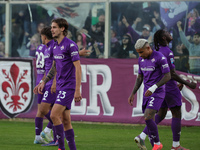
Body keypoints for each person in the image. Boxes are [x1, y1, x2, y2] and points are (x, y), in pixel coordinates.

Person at [134, 29, 196, 150]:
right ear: (163, 38)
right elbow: (171, 74)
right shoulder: (168, 52)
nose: (170, 34)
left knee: (161, 114)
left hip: (159, 88)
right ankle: (176, 146)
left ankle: (142, 135)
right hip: (169, 86)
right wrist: (187, 83)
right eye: (167, 33)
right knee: (176, 112)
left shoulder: (155, 51)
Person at [38, 18, 82, 150]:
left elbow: (78, 68)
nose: (51, 29)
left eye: (54, 27)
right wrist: (44, 82)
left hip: (69, 86)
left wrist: (77, 90)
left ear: (62, 29)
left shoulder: (71, 45)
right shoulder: (55, 46)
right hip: (60, 86)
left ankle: (61, 148)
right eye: (51, 27)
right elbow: (54, 68)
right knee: (66, 121)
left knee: (53, 115)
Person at [128, 38, 171, 150]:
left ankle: (157, 143)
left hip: (157, 92)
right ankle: (152, 145)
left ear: (148, 48)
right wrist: (133, 93)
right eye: (138, 53)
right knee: (150, 121)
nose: (140, 55)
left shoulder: (160, 57)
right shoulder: (141, 60)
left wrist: (154, 87)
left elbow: (168, 76)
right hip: (146, 93)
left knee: (148, 117)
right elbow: (140, 77)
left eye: (141, 52)